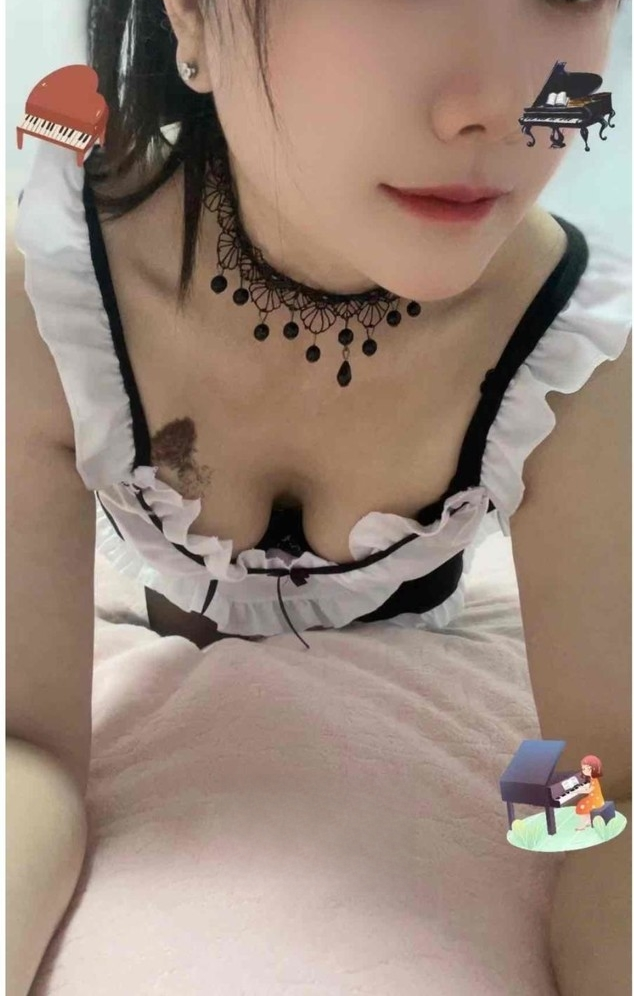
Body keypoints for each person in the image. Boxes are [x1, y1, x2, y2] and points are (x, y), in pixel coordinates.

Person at [6, 1, 630, 993]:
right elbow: (26, 746)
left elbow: (602, 788)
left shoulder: (573, 352)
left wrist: (573, 879)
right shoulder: (55, 283)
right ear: (193, 18)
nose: (502, 106)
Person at [575, 754, 606, 831]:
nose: (583, 771)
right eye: (583, 769)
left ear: (592, 769)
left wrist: (578, 791)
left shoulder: (594, 780)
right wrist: (582, 787)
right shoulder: (593, 778)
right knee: (585, 804)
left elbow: (589, 790)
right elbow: (589, 787)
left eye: (585, 769)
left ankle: (582, 825)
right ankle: (588, 821)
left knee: (581, 805)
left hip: (596, 800)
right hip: (596, 798)